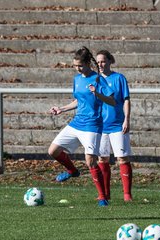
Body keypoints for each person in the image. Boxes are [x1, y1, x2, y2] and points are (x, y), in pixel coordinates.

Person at [48, 46, 116, 207]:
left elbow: (112, 101)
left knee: (90, 160)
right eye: (75, 66)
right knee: (53, 150)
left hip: (92, 125)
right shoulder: (77, 79)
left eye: (80, 65)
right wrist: (61, 109)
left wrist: (97, 94)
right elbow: (79, 101)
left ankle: (102, 197)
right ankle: (72, 171)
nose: (77, 69)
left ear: (87, 63)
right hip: (77, 122)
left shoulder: (99, 79)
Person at [95, 50, 133, 202]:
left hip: (117, 124)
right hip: (100, 126)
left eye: (103, 61)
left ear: (110, 61)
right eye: (98, 62)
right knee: (102, 159)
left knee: (122, 159)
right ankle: (105, 194)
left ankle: (127, 194)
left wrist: (127, 119)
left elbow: (126, 100)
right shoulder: (95, 80)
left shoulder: (119, 78)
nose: (100, 65)